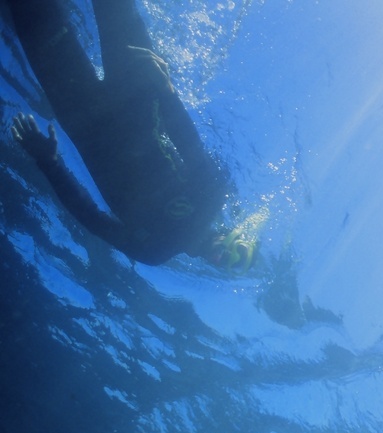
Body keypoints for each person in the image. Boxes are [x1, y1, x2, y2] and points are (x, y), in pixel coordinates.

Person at [4, 0, 249, 268]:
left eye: (225, 265)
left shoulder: (155, 251)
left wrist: (50, 164)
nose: (221, 257)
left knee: (31, 14)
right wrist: (167, 93)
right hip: (137, 96)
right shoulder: (213, 196)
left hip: (83, 119)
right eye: (234, 254)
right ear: (235, 237)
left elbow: (92, 218)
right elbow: (188, 142)